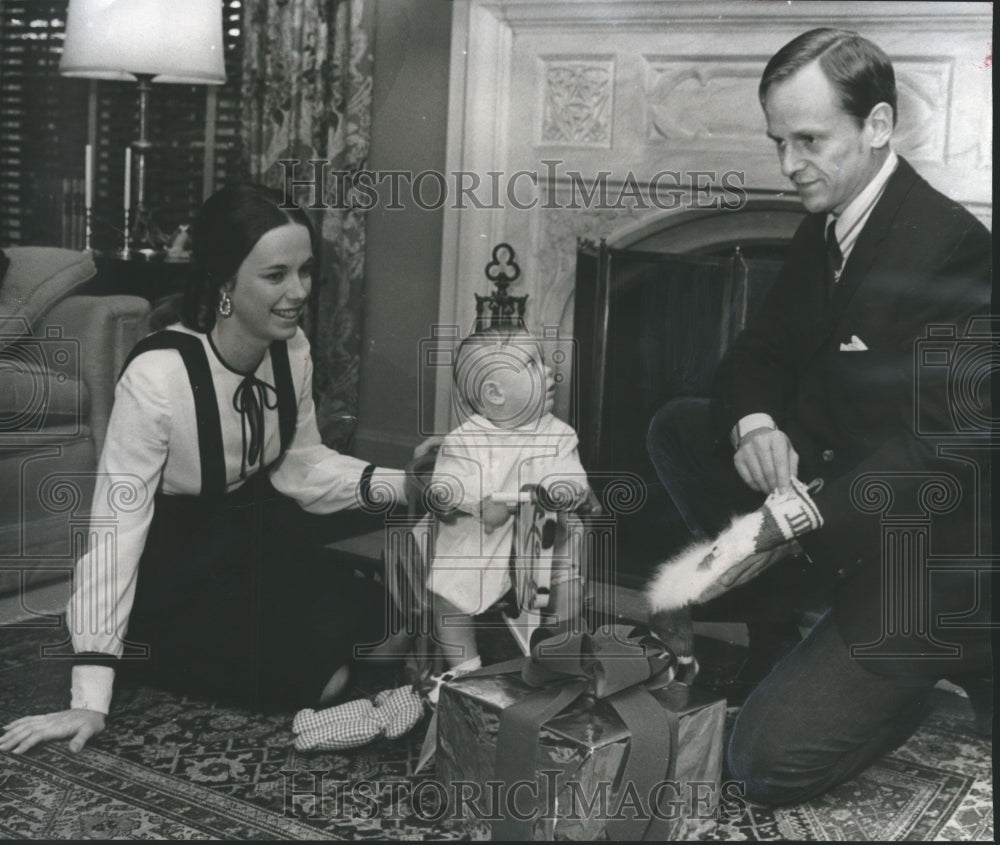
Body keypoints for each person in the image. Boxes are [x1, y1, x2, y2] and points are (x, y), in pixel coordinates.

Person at [646, 28, 991, 804]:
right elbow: (752, 360)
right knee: (678, 425)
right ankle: (794, 616)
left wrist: (786, 522)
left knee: (764, 764)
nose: (788, 165)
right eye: (779, 142)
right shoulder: (824, 222)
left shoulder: (957, 252)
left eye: (808, 139)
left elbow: (936, 459)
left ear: (876, 126)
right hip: (839, 512)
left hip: (921, 556)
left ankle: (912, 674)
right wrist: (755, 425)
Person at [0, 183, 412, 756]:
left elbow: (303, 467)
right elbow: (117, 527)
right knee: (325, 680)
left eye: (306, 271)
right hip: (172, 564)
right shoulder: (157, 377)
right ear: (225, 282)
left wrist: (408, 484)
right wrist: (88, 695)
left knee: (389, 634)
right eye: (276, 276)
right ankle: (134, 644)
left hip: (250, 533)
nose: (299, 292)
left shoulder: (291, 351)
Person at [426, 325, 589, 679]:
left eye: (543, 361)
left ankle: (558, 661)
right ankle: (463, 671)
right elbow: (446, 485)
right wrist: (479, 502)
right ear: (495, 393)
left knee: (569, 591)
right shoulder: (465, 441)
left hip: (543, 544)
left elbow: (573, 479)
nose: (548, 371)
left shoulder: (558, 434)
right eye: (532, 364)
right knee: (449, 595)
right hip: (481, 541)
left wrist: (560, 489)